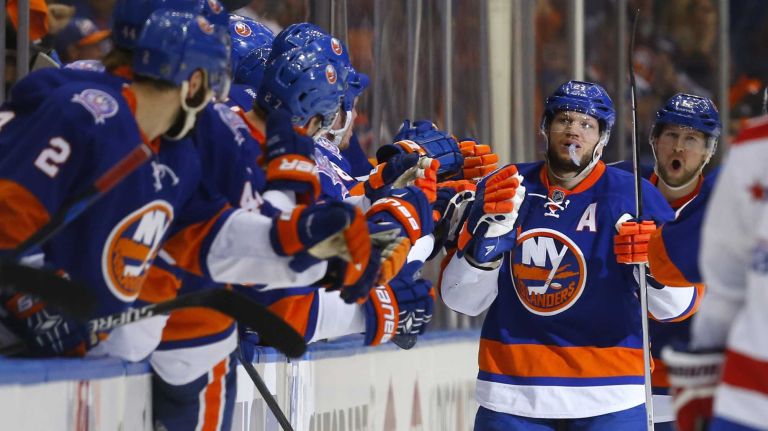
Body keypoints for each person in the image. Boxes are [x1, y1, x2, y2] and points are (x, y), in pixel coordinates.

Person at [440, 80, 690, 430]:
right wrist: (484, 244)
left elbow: (679, 306)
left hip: (612, 393)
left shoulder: (634, 196)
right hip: (512, 393)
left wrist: (654, 268)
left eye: (587, 124)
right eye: (564, 120)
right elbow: (461, 300)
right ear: (545, 127)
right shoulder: (507, 188)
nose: (573, 130)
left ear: (602, 138)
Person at [612, 93, 721, 430]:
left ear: (708, 151)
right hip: (616, 377)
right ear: (654, 141)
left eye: (691, 139)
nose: (679, 147)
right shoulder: (617, 186)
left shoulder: (723, 201)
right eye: (671, 135)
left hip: (698, 382)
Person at [661, 113, 768, 431]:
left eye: (691, 139)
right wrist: (702, 372)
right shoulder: (755, 147)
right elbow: (725, 281)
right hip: (748, 400)